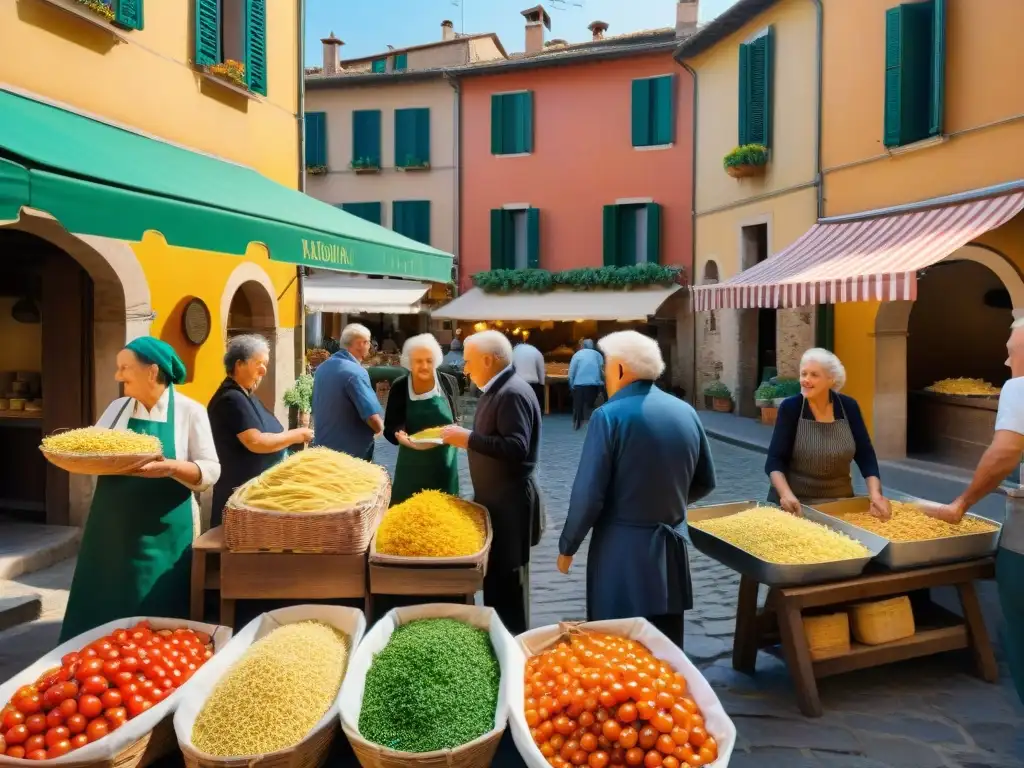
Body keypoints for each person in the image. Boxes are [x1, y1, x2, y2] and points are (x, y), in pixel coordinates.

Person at [556, 331, 715, 647]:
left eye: (606, 368)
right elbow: (705, 481)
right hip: (670, 548)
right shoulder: (685, 411)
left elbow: (589, 493)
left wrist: (568, 545)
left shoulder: (608, 416)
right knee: (666, 648)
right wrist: (666, 503)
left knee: (619, 645)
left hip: (622, 552)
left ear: (618, 370)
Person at [60, 337, 220, 642]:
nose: (118, 376)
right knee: (103, 600)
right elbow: (92, 449)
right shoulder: (117, 409)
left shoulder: (190, 411)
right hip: (111, 530)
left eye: (124, 368)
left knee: (159, 605)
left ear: (151, 371)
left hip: (164, 532)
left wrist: (170, 467)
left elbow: (210, 470)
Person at [920, 318, 1024, 704]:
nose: (1006, 362)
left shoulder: (1019, 388)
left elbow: (1005, 452)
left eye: (1012, 353)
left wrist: (961, 504)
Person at [440, 330, 542, 635]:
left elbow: (516, 447)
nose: (466, 369)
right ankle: (503, 644)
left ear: (488, 359)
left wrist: (468, 439)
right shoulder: (499, 389)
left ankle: (513, 649)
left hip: (510, 503)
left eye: (469, 362)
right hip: (497, 501)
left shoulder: (511, 392)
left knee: (508, 586)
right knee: (498, 582)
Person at [766, 348, 891, 519]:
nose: (806, 380)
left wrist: (875, 495)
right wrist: (786, 495)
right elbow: (774, 461)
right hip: (797, 504)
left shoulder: (848, 407)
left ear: (831, 379)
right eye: (804, 374)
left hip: (840, 503)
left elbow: (865, 455)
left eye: (814, 375)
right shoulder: (791, 408)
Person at [207, 335, 314, 528]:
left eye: (265, 364)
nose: (264, 370)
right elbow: (256, 442)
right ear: (239, 364)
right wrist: (297, 435)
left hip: (254, 497)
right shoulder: (231, 399)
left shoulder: (245, 394)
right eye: (259, 364)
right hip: (240, 497)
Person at [384, 333, 462, 504]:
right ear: (409, 363)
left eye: (429, 360)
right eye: (418, 361)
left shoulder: (449, 382)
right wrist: (400, 435)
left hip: (444, 463)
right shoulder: (400, 386)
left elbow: (456, 418)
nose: (424, 365)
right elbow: (390, 427)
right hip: (412, 464)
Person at [312, 323, 383, 460]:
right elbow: (373, 419)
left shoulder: (322, 368)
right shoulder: (356, 373)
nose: (370, 347)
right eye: (368, 342)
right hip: (350, 455)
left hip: (323, 448)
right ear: (359, 344)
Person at [568, 338, 604, 430]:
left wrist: (571, 383)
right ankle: (593, 424)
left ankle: (577, 422)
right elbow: (602, 370)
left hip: (579, 384)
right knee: (592, 405)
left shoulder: (577, 355)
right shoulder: (598, 355)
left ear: (582, 345)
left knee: (578, 405)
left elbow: (572, 371)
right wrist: (602, 383)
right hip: (594, 384)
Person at [512, 338, 546, 405]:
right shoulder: (536, 351)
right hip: (533, 382)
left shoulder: (513, 351)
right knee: (534, 404)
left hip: (517, 382)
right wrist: (542, 384)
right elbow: (541, 370)